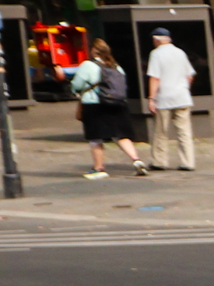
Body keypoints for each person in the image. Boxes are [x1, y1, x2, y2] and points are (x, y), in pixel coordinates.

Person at [71, 41, 148, 178]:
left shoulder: (88, 65)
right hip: (118, 104)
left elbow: (76, 85)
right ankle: (136, 160)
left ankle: (99, 168)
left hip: (95, 105)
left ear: (94, 51)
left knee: (96, 137)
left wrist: (75, 90)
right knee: (121, 135)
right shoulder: (116, 66)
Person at [144, 27, 198, 171]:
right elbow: (189, 75)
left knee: (161, 131)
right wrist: (183, 88)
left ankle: (159, 161)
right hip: (182, 96)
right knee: (184, 132)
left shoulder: (155, 54)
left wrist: (151, 98)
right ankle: (188, 162)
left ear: (156, 40)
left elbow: (155, 77)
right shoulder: (180, 52)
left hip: (164, 98)